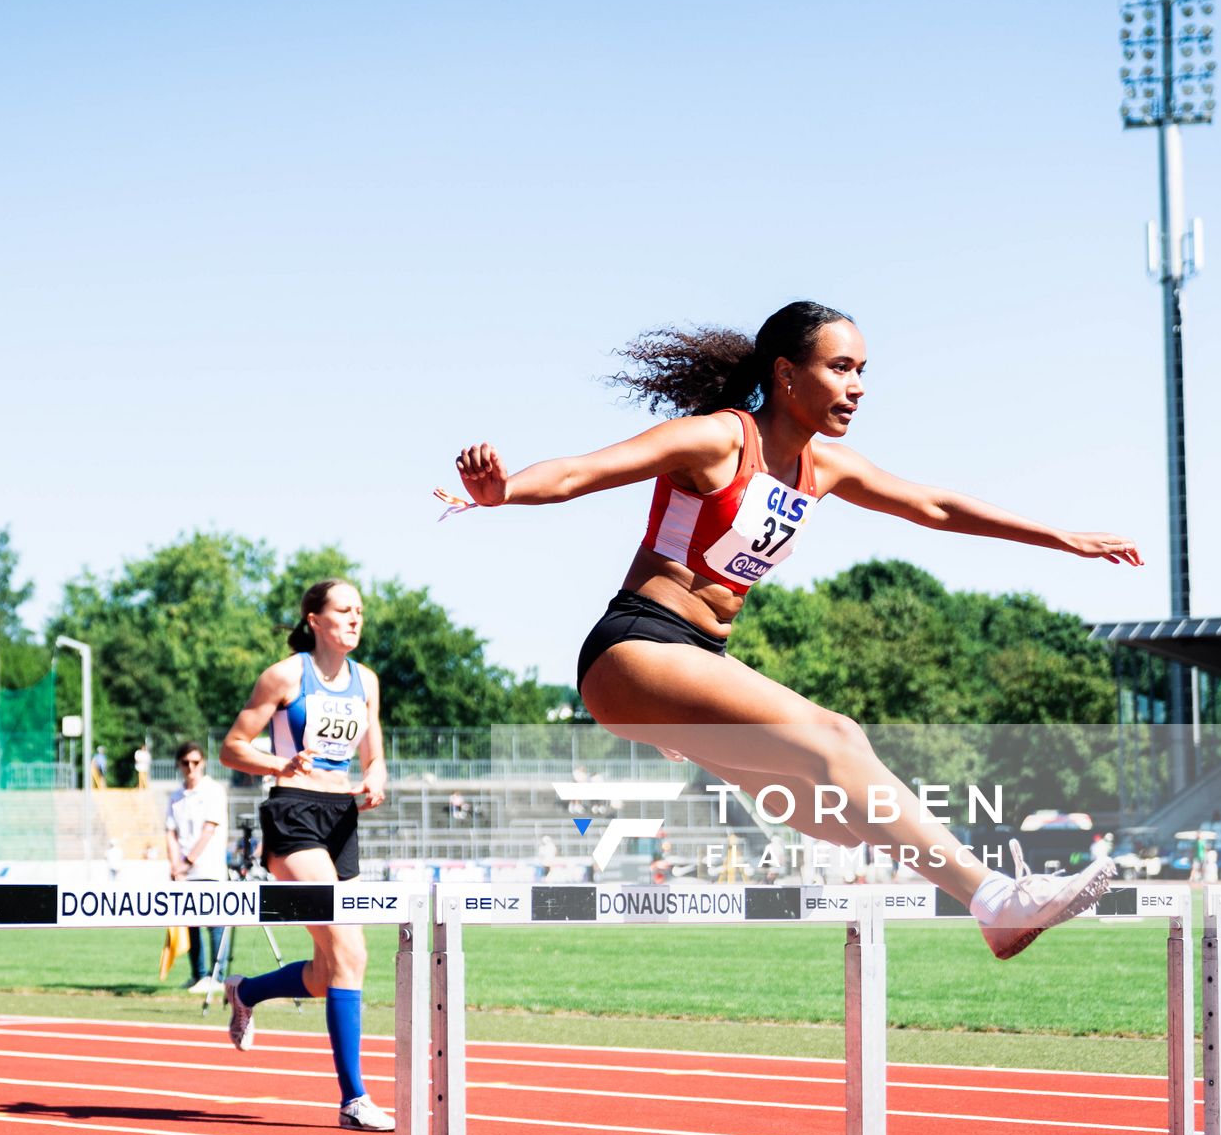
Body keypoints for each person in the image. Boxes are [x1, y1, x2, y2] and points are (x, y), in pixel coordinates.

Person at [443, 300, 1138, 959]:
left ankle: (989, 911)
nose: (857, 387)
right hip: (636, 646)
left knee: (835, 815)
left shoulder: (823, 467)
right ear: (785, 374)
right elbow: (579, 472)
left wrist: (1062, 537)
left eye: (862, 370)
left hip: (701, 661)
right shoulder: (718, 438)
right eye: (840, 368)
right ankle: (995, 898)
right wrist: (504, 491)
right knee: (840, 737)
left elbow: (933, 506)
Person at [219, 579, 392, 1131]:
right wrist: (280, 764)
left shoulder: (367, 681)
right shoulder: (285, 676)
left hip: (342, 818)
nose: (355, 618)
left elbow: (374, 755)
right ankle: (353, 1100)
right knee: (349, 949)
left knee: (331, 968)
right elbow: (232, 747)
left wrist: (376, 779)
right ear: (315, 619)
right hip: (293, 813)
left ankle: (246, 991)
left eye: (360, 610)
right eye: (344, 609)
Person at [165, 741, 229, 991]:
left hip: (209, 868)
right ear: (179, 765)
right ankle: (198, 974)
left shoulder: (213, 791)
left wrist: (186, 863)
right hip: (184, 872)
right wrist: (175, 866)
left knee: (214, 923)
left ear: (203, 763)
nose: (190, 767)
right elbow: (170, 833)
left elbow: (208, 831)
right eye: (185, 763)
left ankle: (217, 977)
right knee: (190, 924)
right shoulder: (175, 796)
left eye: (195, 762)